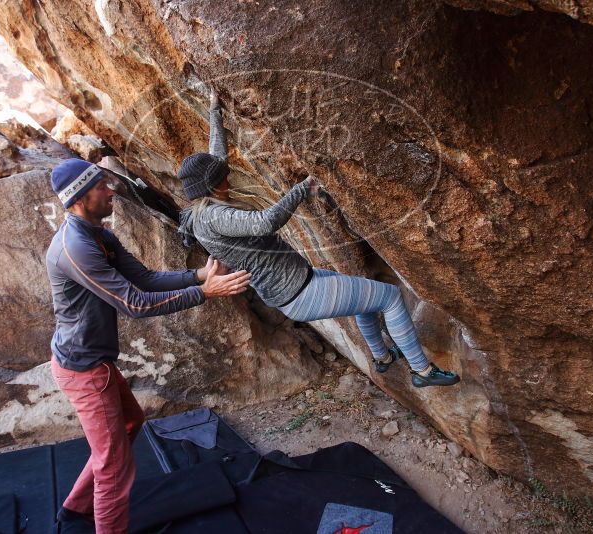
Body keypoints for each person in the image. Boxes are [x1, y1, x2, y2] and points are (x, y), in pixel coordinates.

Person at [178, 90, 459, 389]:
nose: (228, 177)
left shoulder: (202, 204)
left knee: (364, 300)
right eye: (222, 176)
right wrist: (304, 187)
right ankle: (422, 371)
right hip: (301, 292)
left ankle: (382, 357)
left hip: (297, 286)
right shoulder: (212, 216)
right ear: (211, 185)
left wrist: (213, 109)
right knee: (389, 298)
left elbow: (217, 156)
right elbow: (265, 223)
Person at [45, 158, 251, 533]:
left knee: (129, 422)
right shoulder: (75, 247)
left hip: (95, 365)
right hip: (85, 370)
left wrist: (199, 274)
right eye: (102, 187)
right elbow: (134, 304)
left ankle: (75, 510)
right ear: (79, 197)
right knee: (114, 466)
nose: (112, 192)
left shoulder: (98, 235)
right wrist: (204, 292)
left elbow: (144, 279)